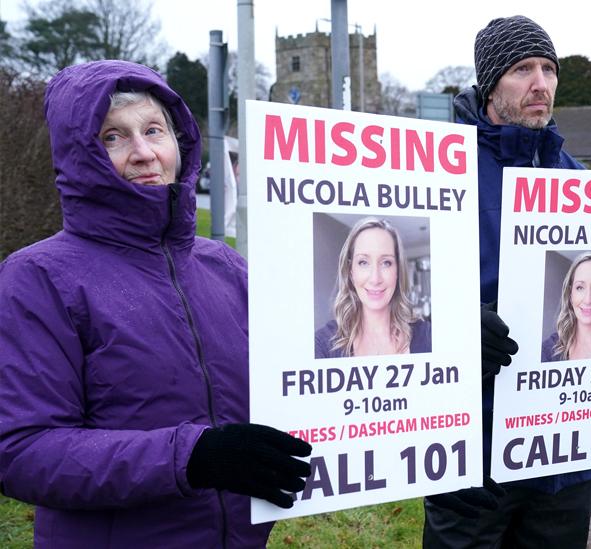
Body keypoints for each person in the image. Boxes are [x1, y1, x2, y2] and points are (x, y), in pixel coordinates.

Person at [0, 60, 312, 548]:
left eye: (153, 129)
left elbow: (304, 376)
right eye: (112, 137)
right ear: (77, 154)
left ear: (180, 140)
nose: (144, 153)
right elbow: (21, 451)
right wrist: (190, 456)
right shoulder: (38, 277)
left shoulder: (225, 267)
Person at [422, 15, 591, 548]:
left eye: (548, 68)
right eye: (522, 69)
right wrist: (455, 329)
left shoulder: (580, 181)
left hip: (565, 453)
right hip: (472, 444)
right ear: (490, 84)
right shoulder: (437, 173)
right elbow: (398, 301)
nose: (541, 83)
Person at [315, 217, 432, 358]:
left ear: (397, 271)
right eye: (363, 262)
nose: (375, 279)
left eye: (386, 263)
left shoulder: (428, 336)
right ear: (351, 271)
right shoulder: (322, 345)